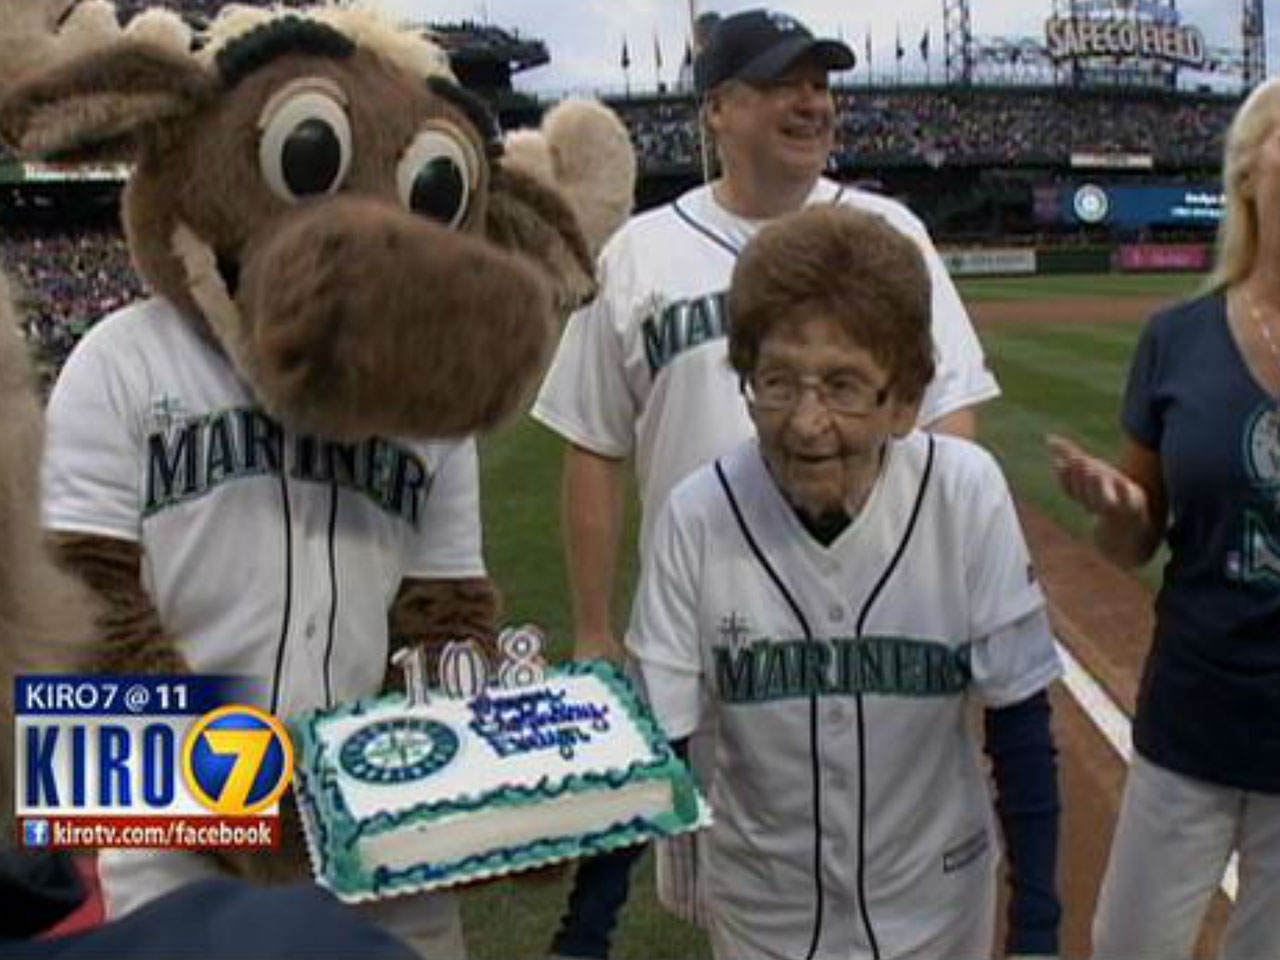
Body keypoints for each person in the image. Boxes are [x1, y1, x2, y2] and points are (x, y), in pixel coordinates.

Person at [532, 8, 1000, 957]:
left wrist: (942, 570)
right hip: (715, 637)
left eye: (822, 83)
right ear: (718, 109)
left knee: (907, 867)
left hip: (882, 614)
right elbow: (592, 442)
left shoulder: (887, 230)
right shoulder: (641, 255)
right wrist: (591, 624)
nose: (812, 100)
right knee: (748, 900)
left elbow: (951, 409)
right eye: (785, 82)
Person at [627, 204, 1062, 959]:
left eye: (843, 385)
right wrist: (582, 932)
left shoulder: (964, 495)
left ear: (906, 399)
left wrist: (1037, 933)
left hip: (938, 914)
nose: (805, 421)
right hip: (764, 919)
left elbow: (1020, 727)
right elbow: (653, 750)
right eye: (777, 382)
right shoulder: (697, 517)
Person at [1049, 77, 1280, 960]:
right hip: (1196, 716)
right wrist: (1117, 510)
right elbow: (1133, 539)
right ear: (1248, 171)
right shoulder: (1175, 338)